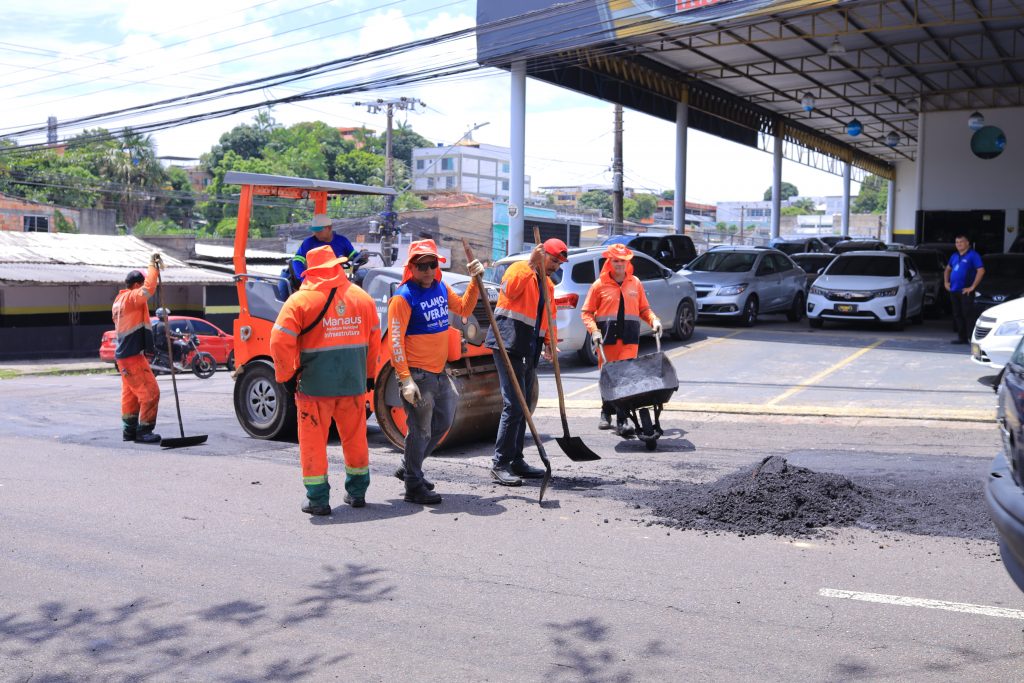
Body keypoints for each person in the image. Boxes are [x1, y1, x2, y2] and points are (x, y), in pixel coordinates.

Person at [270, 245, 381, 516]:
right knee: (355, 438)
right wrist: (368, 375)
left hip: (314, 387)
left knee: (313, 442)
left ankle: (318, 499)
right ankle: (357, 492)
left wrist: (286, 376)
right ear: (337, 266)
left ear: (310, 272)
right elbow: (374, 342)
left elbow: (279, 341)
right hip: (352, 384)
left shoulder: (299, 302)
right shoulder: (363, 298)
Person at [387, 240, 485, 504]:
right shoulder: (403, 298)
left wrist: (475, 281)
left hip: (440, 372)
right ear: (411, 268)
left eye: (432, 264)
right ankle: (413, 485)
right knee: (421, 431)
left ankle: (410, 466)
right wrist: (405, 379)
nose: (428, 270)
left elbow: (464, 308)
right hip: (418, 376)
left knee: (442, 423)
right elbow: (395, 341)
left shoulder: (441, 288)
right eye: (422, 266)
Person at [486, 238, 567, 486]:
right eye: (553, 260)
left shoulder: (548, 285)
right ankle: (500, 463)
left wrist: (549, 342)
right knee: (514, 404)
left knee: (525, 404)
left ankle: (516, 460)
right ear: (541, 254)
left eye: (559, 263)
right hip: (508, 343)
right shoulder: (519, 269)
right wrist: (531, 264)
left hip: (529, 347)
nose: (555, 267)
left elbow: (549, 316)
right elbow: (509, 291)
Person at [580, 243, 662, 435]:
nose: (619, 264)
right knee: (608, 378)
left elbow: (644, 309)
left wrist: (654, 320)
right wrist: (594, 331)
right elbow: (587, 312)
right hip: (606, 339)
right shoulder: (599, 285)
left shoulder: (635, 283)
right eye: (616, 260)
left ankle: (622, 420)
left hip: (629, 339)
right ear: (610, 262)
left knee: (625, 379)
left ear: (628, 262)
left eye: (622, 261)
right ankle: (605, 410)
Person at [112, 253, 162, 444]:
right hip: (132, 357)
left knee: (131, 395)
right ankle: (144, 431)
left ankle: (129, 431)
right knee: (151, 393)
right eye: (140, 285)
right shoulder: (132, 298)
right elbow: (149, 288)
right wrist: (153, 267)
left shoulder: (118, 301)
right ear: (135, 285)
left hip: (124, 357)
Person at [944, 233, 985, 344]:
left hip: (965, 291)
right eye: (957, 242)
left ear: (967, 243)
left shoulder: (973, 255)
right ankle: (962, 338)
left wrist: (973, 287)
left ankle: (971, 338)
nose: (958, 244)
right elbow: (947, 269)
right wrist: (946, 282)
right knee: (957, 314)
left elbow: (981, 271)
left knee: (968, 314)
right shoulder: (954, 256)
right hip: (954, 290)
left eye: (961, 242)